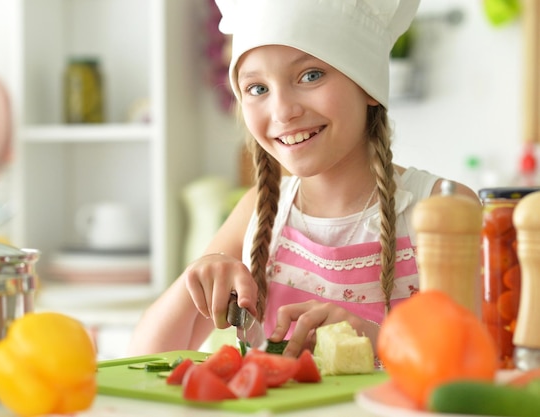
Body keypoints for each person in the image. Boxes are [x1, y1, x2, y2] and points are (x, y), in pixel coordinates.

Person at [128, 0, 477, 357]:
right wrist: (198, 277)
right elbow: (143, 358)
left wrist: (374, 339)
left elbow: (474, 363)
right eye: (257, 88)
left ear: (369, 82)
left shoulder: (443, 210)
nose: (283, 111)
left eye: (310, 75)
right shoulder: (259, 211)